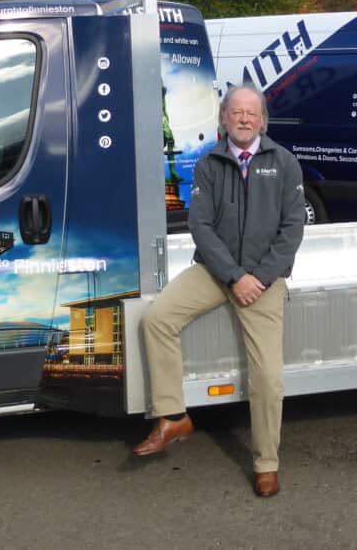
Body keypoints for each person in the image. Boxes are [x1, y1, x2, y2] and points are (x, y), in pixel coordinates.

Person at [132, 84, 306, 498]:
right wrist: (232, 275)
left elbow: (292, 229)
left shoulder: (284, 163)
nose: (244, 119)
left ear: (263, 120)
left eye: (252, 113)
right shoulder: (210, 163)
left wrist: (258, 278)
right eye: (236, 112)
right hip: (216, 270)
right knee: (157, 319)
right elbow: (201, 227)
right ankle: (173, 416)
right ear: (224, 118)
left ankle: (266, 463)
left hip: (263, 278)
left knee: (267, 377)